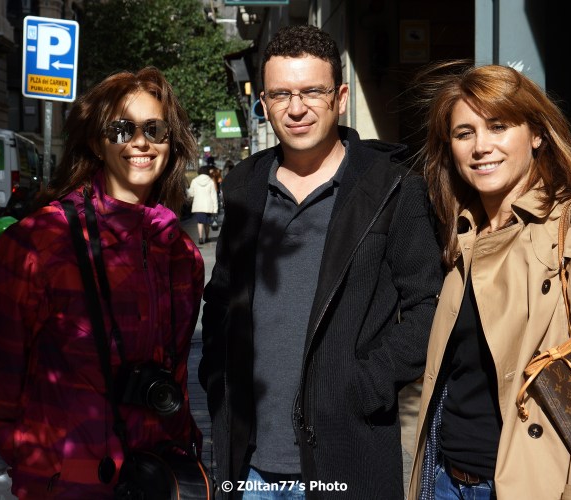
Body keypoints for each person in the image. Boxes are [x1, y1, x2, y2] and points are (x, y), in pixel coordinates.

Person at [199, 25, 444, 499]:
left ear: (341, 98)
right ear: (264, 102)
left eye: (313, 91)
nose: (296, 108)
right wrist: (218, 383)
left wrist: (364, 385)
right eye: (280, 94)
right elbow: (221, 298)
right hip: (249, 466)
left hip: (348, 452)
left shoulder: (393, 187)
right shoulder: (244, 185)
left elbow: (428, 304)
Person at [407, 62, 571, 499]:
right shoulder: (462, 233)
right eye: (464, 133)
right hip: (444, 480)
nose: (481, 146)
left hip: (534, 485)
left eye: (498, 126)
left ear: (536, 133)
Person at [0, 67, 204, 498]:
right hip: (69, 482)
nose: (140, 142)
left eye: (155, 129)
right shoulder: (40, 242)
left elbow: (176, 371)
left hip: (158, 474)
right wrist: (42, 463)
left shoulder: (181, 254)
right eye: (122, 129)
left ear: (171, 143)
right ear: (97, 142)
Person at [187, 165, 218, 244]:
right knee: (207, 223)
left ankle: (200, 238)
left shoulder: (194, 181)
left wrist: (187, 192)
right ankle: (207, 237)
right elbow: (214, 196)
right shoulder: (210, 181)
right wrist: (215, 209)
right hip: (208, 206)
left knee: (200, 222)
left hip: (198, 205)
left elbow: (191, 193)